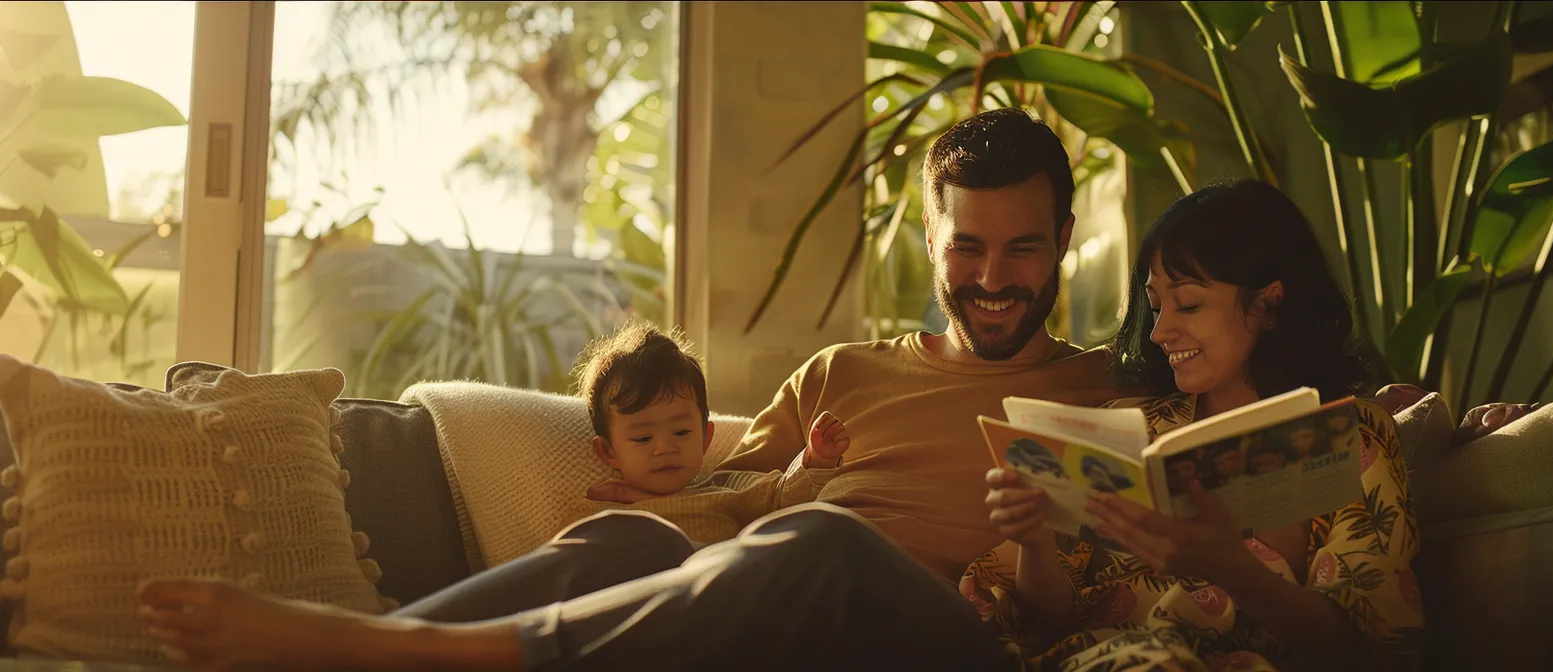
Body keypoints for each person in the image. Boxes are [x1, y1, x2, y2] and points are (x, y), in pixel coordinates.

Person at [133, 107, 1119, 670]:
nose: (992, 280)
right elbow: (719, 497)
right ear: (934, 242)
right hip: (783, 631)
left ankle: (397, 654)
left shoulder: (1104, 393)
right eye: (969, 248)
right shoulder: (843, 373)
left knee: (829, 543)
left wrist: (1032, 533)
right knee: (631, 540)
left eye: (1022, 249)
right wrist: (755, 485)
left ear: (1063, 244)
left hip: (954, 646)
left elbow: (1075, 612)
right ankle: (373, 647)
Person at [966, 179, 1425, 672]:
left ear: (1268, 305)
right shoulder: (1127, 431)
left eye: (1187, 304)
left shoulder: (1353, 437)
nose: (1160, 331)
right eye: (1157, 305)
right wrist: (1034, 542)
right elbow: (1046, 622)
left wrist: (1229, 566)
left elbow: (1370, 646)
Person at [553, 320, 849, 545]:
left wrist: (816, 459)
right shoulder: (598, 513)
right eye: (643, 438)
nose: (665, 447)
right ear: (608, 451)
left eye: (681, 432)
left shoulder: (727, 492)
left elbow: (782, 496)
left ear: (706, 438)